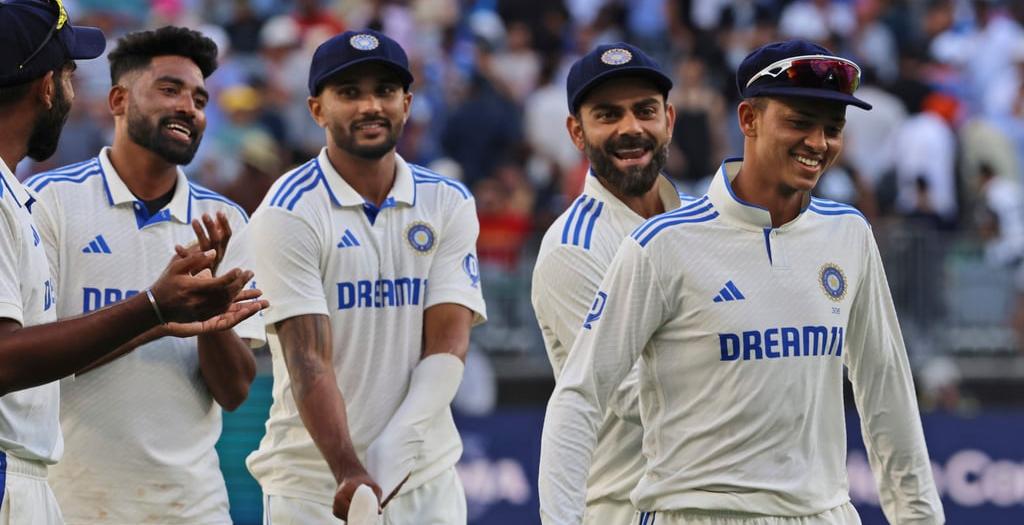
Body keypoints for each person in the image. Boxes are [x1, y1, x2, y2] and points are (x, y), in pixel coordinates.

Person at [539, 39, 945, 525]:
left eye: (832, 129)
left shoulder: (849, 233)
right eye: (799, 122)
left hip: (823, 512)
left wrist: (920, 517)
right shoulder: (656, 243)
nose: (818, 142)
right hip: (681, 510)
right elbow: (584, 396)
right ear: (748, 120)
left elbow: (886, 389)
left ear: (669, 118)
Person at [0, 1, 265, 522]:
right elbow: (31, 361)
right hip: (73, 500)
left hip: (192, 506)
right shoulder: (48, 201)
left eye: (200, 99)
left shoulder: (224, 220)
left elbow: (235, 393)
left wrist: (208, 320)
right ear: (118, 99)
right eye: (169, 89)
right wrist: (156, 314)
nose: (188, 108)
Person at [245, 29, 487, 523]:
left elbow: (448, 343)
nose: (370, 106)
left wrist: (393, 453)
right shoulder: (288, 211)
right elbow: (308, 359)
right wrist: (350, 472)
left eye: (385, 91)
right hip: (315, 485)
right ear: (317, 110)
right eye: (349, 93)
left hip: (425, 479)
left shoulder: (447, 200)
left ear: (407, 104)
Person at [531, 42, 693, 525]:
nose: (631, 128)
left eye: (645, 111)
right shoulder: (572, 248)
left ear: (669, 120)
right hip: (630, 507)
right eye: (608, 115)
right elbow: (630, 395)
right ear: (576, 132)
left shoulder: (701, 221)